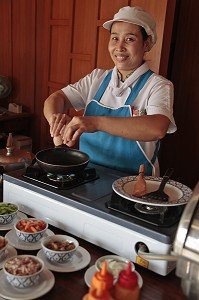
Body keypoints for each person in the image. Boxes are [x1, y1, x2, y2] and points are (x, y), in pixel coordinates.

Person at [43, 6, 176, 176]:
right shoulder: (96, 78)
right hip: (88, 176)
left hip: (135, 184)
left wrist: (95, 123)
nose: (119, 47)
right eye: (115, 38)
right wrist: (54, 119)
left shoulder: (158, 85)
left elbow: (157, 128)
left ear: (147, 43)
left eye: (129, 39)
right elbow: (56, 98)